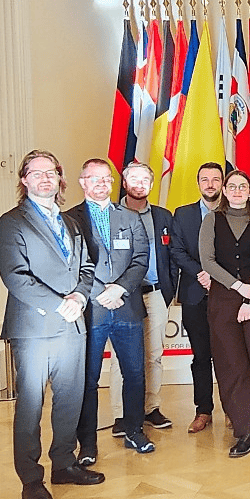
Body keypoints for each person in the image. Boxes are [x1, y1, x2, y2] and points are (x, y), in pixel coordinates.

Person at [0, 150, 104, 499]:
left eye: (51, 173)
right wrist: (60, 304)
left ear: (60, 179)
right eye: (36, 173)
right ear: (24, 180)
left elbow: (87, 266)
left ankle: (64, 464)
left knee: (70, 401)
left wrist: (80, 297)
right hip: (35, 329)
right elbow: (16, 276)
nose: (45, 178)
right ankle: (31, 480)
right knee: (31, 407)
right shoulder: (11, 223)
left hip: (72, 326)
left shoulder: (70, 222)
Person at [67, 159, 154, 462]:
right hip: (91, 310)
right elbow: (70, 265)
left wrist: (120, 289)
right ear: (83, 182)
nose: (102, 183)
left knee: (135, 374)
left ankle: (134, 431)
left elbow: (141, 258)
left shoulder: (130, 217)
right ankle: (87, 445)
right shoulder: (69, 219)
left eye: (107, 178)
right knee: (88, 380)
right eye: (95, 178)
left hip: (127, 306)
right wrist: (100, 293)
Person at [199, 170, 250, 457]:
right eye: (232, 186)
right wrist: (239, 287)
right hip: (223, 301)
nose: (237, 190)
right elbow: (208, 261)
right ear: (224, 190)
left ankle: (249, 423)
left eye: (243, 186)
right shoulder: (212, 220)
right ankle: (248, 431)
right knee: (231, 365)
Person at [107, 161, 178, 436]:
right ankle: (121, 414)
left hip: (156, 294)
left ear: (151, 184)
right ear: (124, 183)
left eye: (144, 180)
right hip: (124, 298)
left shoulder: (162, 216)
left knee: (154, 355)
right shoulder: (111, 215)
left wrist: (169, 290)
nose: (139, 184)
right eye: (133, 179)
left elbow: (172, 255)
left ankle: (151, 408)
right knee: (121, 358)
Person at [170, 162, 224, 433]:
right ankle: (203, 410)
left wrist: (219, 277)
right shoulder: (183, 214)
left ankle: (233, 409)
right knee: (201, 356)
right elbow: (177, 251)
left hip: (226, 294)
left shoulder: (233, 211)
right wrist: (202, 274)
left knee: (229, 356)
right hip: (194, 293)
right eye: (205, 179)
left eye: (215, 179)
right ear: (198, 183)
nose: (210, 184)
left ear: (223, 183)